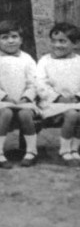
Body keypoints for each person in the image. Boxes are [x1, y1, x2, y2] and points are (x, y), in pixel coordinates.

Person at [0, 20, 39, 169]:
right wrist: (4, 97)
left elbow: (34, 82)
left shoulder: (27, 59)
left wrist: (26, 97)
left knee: (25, 114)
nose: (10, 41)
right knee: (6, 113)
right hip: (0, 101)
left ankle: (31, 151)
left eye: (14, 37)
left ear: (21, 40)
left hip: (23, 100)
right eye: (5, 37)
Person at [35, 22, 80, 166]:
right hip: (52, 103)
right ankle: (65, 149)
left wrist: (77, 96)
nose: (57, 45)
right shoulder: (45, 61)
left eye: (62, 41)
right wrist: (58, 97)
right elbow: (40, 83)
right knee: (72, 114)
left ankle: (74, 148)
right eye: (54, 41)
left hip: (76, 101)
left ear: (75, 43)